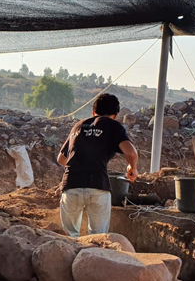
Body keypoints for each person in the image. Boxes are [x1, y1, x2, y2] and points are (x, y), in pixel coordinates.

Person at [57, 93, 138, 237]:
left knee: (70, 238)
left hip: (71, 185)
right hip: (97, 186)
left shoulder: (78, 126)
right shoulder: (114, 126)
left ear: (93, 112)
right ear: (115, 114)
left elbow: (61, 159)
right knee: (98, 238)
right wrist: (133, 168)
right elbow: (131, 153)